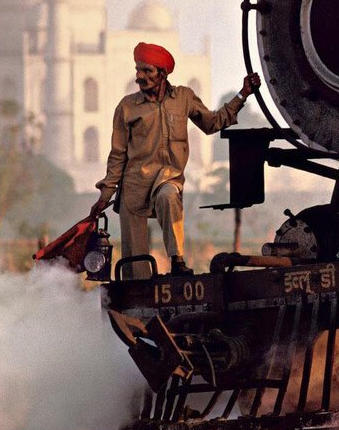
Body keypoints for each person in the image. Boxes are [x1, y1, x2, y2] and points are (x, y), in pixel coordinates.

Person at [90, 42, 260, 275]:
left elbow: (212, 123)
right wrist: (105, 195)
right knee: (135, 269)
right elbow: (118, 154)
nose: (140, 77)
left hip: (167, 178)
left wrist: (243, 94)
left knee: (169, 195)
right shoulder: (127, 107)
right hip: (134, 186)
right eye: (138, 70)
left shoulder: (183, 98)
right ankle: (139, 293)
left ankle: (177, 261)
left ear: (163, 73)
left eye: (147, 71)